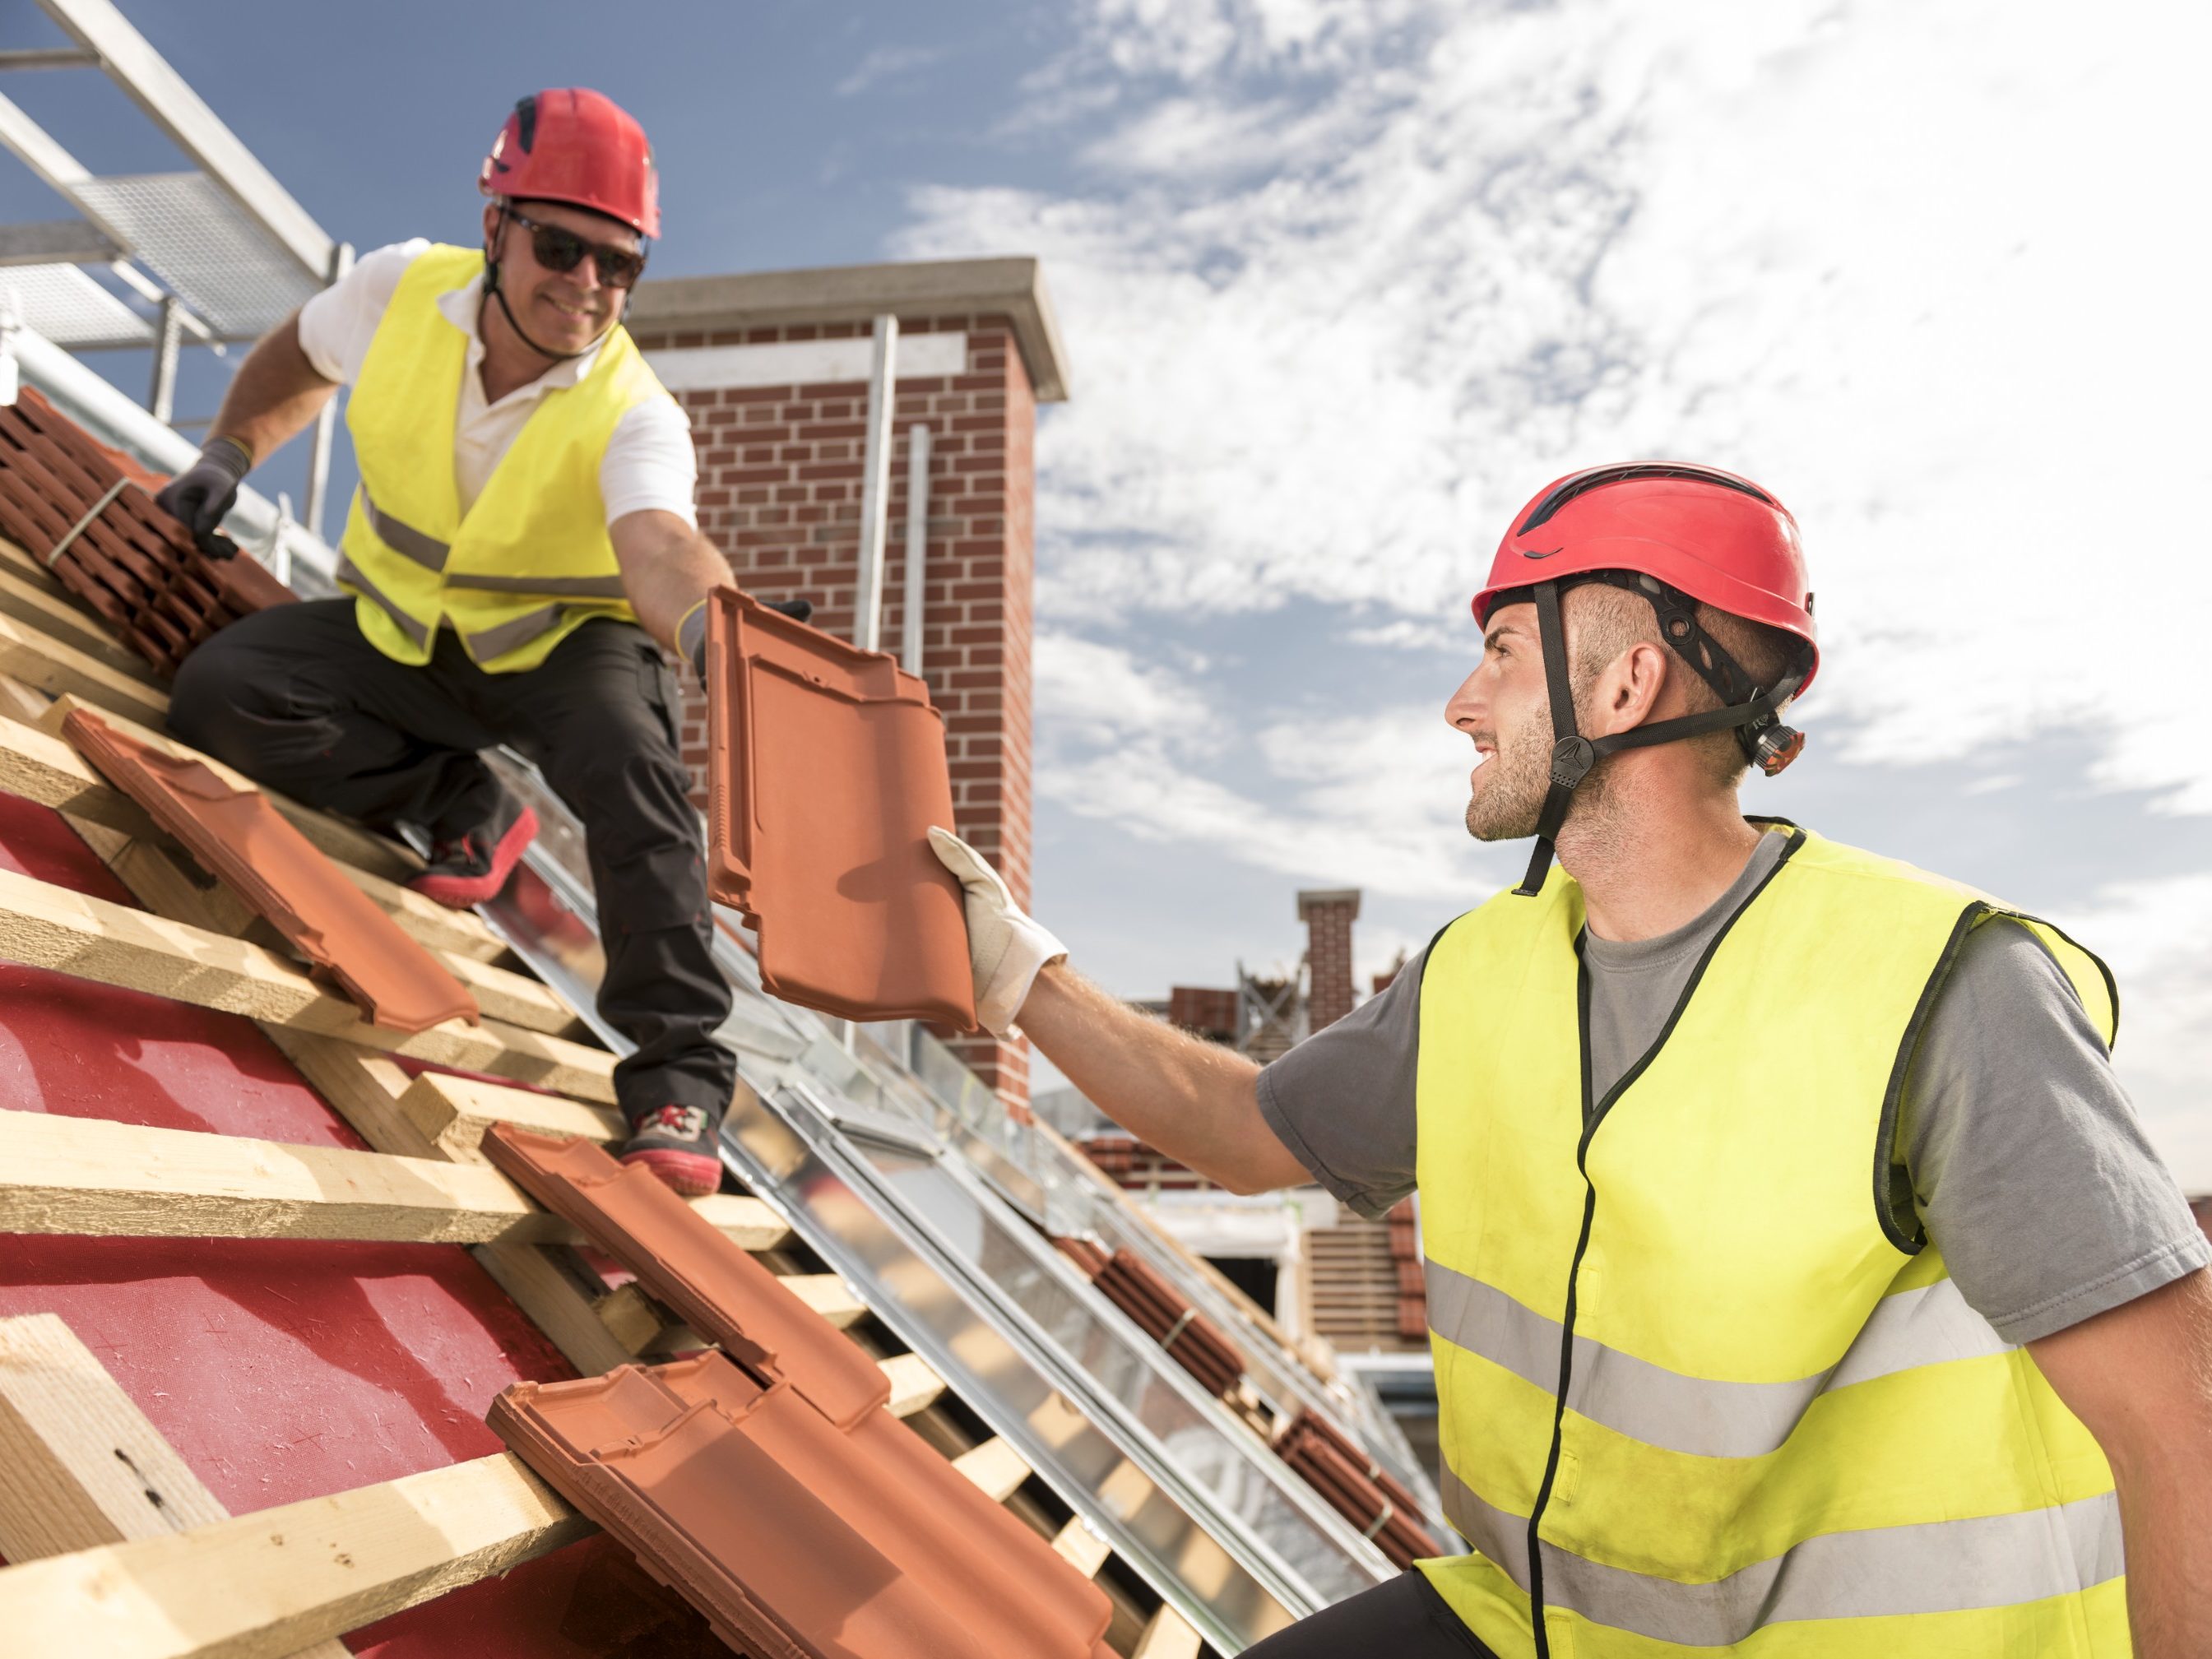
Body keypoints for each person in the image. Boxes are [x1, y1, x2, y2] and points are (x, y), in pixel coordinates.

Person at [930, 463, 2212, 1656]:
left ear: (1622, 686)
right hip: (1545, 1626)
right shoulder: (1484, 973)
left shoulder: (1945, 987)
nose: (1457, 703)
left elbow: (2181, 1429)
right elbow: (1248, 1128)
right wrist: (1019, 973)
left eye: (1497, 652)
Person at [159, 89, 791, 1195]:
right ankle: (465, 803)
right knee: (223, 692)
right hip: (407, 644)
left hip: (566, 651)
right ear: (495, 223)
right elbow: (293, 361)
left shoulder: (635, 409)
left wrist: (716, 642)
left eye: (618, 264)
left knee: (632, 772)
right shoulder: (398, 289)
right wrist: (225, 454)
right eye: (560, 246)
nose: (587, 286)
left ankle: (677, 1076)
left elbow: (659, 546)